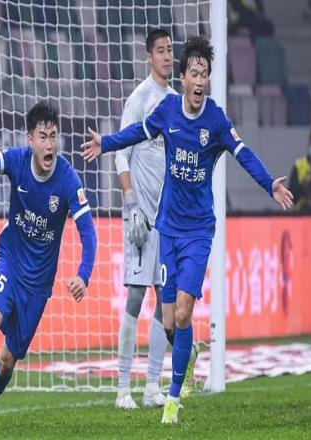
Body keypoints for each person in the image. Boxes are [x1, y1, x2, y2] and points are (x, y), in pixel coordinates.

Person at [81, 35, 293, 424]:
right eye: (194, 73)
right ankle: (188, 355)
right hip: (168, 228)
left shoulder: (215, 119)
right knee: (168, 321)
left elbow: (243, 154)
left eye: (205, 74)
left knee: (182, 312)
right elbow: (137, 132)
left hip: (198, 232)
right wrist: (105, 143)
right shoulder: (166, 111)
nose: (200, 81)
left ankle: (173, 398)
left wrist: (269, 185)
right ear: (182, 78)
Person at [0, 102, 97, 431]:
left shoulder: (68, 179)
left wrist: (83, 275)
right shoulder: (17, 160)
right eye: (43, 137)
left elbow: (89, 234)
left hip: (38, 285)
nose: (49, 144)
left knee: (7, 361)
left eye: (53, 136)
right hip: (10, 260)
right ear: (30, 140)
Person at [114, 29, 176, 410]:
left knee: (163, 300)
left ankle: (152, 385)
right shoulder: (139, 99)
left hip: (166, 220)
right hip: (140, 217)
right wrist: (131, 201)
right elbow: (120, 153)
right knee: (136, 296)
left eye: (170, 50)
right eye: (161, 51)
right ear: (149, 57)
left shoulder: (175, 103)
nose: (168, 56)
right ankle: (123, 388)